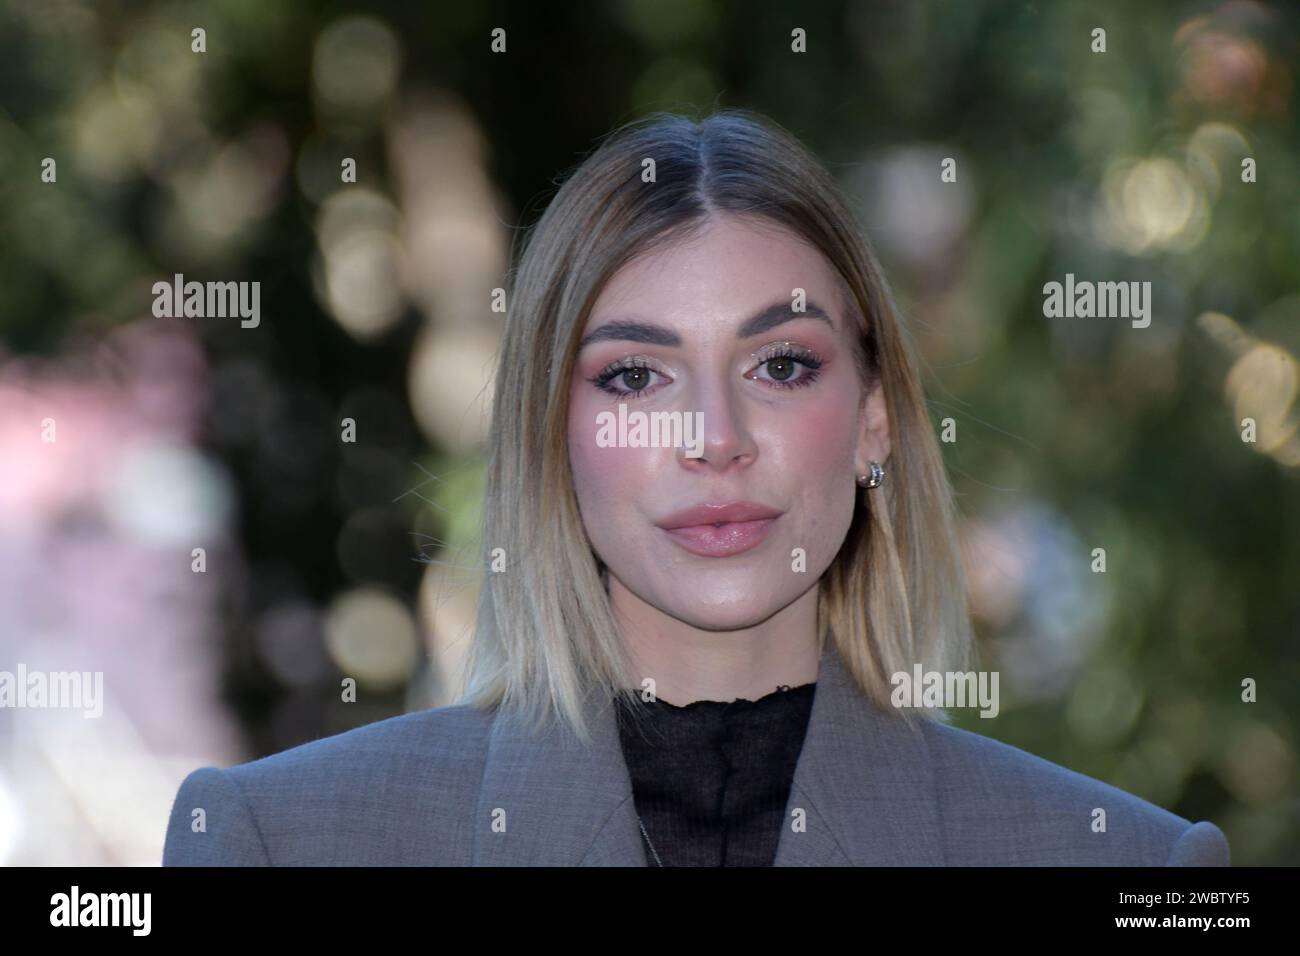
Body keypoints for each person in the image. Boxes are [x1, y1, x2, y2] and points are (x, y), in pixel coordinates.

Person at [163, 109, 1229, 866]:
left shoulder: (1134, 865)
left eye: (781, 366)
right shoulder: (279, 842)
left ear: (875, 416)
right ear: (548, 435)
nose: (714, 438)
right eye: (634, 374)